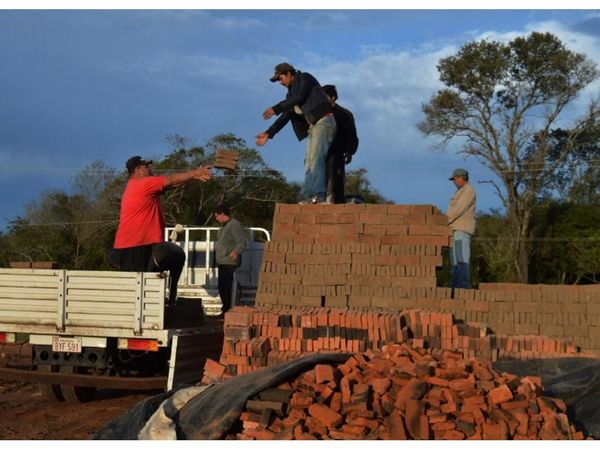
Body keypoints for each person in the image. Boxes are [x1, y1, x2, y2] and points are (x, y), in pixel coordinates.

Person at [112, 155, 212, 305]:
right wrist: (195, 172)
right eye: (146, 167)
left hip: (130, 244)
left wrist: (192, 178)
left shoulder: (134, 186)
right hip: (136, 244)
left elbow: (171, 185)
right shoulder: (144, 184)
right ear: (138, 170)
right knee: (139, 286)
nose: (149, 169)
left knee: (136, 287)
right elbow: (170, 180)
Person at [256, 62, 336, 204]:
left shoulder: (305, 78)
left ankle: (318, 195)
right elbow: (286, 114)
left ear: (289, 73)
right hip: (314, 126)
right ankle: (309, 196)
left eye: (280, 78)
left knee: (317, 160)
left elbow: (299, 97)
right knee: (309, 162)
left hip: (324, 121)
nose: (280, 82)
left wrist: (276, 108)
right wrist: (269, 132)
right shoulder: (291, 93)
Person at [322, 84, 359, 204]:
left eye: (325, 96)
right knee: (318, 179)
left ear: (332, 97)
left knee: (336, 181)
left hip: (336, 152)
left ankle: (336, 203)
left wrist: (350, 151)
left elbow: (351, 134)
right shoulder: (319, 113)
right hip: (320, 152)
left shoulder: (345, 114)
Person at [446, 168, 476, 289]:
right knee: (454, 261)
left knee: (462, 259)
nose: (454, 182)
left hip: (461, 229)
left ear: (460, 178)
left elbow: (459, 209)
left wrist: (444, 221)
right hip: (454, 229)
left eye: (455, 179)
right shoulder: (460, 191)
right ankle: (454, 286)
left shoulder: (468, 190)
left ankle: (463, 287)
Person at [214, 204, 246, 314]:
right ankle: (225, 308)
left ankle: (228, 309)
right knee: (222, 286)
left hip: (229, 261)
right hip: (222, 261)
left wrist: (236, 251)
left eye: (217, 216)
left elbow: (241, 241)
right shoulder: (223, 226)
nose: (216, 219)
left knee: (226, 286)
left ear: (223, 214)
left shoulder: (234, 225)